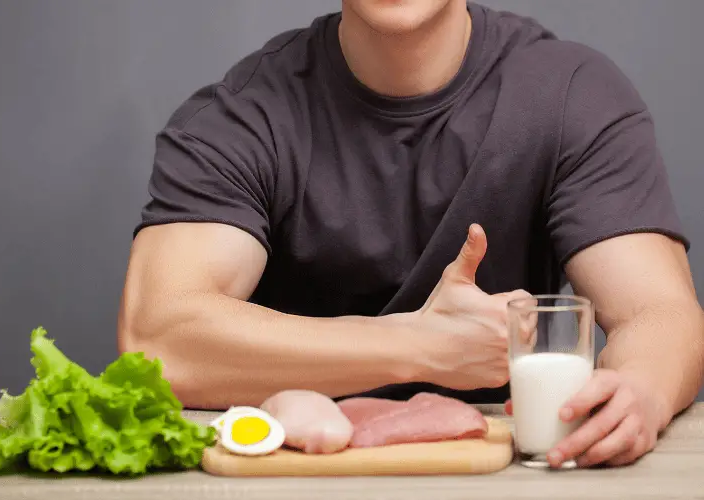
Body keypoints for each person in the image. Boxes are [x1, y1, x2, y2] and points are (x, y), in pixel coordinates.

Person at [117, 0, 704, 468]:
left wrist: (643, 389)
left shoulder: (575, 93)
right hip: (298, 475)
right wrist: (421, 346)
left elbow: (658, 312)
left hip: (505, 477)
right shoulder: (241, 117)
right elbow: (161, 339)